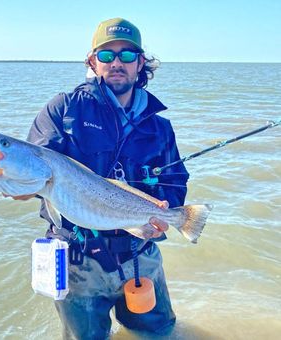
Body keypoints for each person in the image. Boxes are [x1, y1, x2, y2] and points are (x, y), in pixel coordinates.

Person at [26, 18, 189, 339]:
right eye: (106, 55)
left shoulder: (159, 126)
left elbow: (175, 179)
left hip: (141, 255)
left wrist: (170, 210)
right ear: (92, 61)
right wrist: (14, 182)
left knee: (160, 332)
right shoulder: (64, 110)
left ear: (141, 63)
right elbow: (35, 169)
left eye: (127, 56)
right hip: (78, 263)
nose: (117, 63)